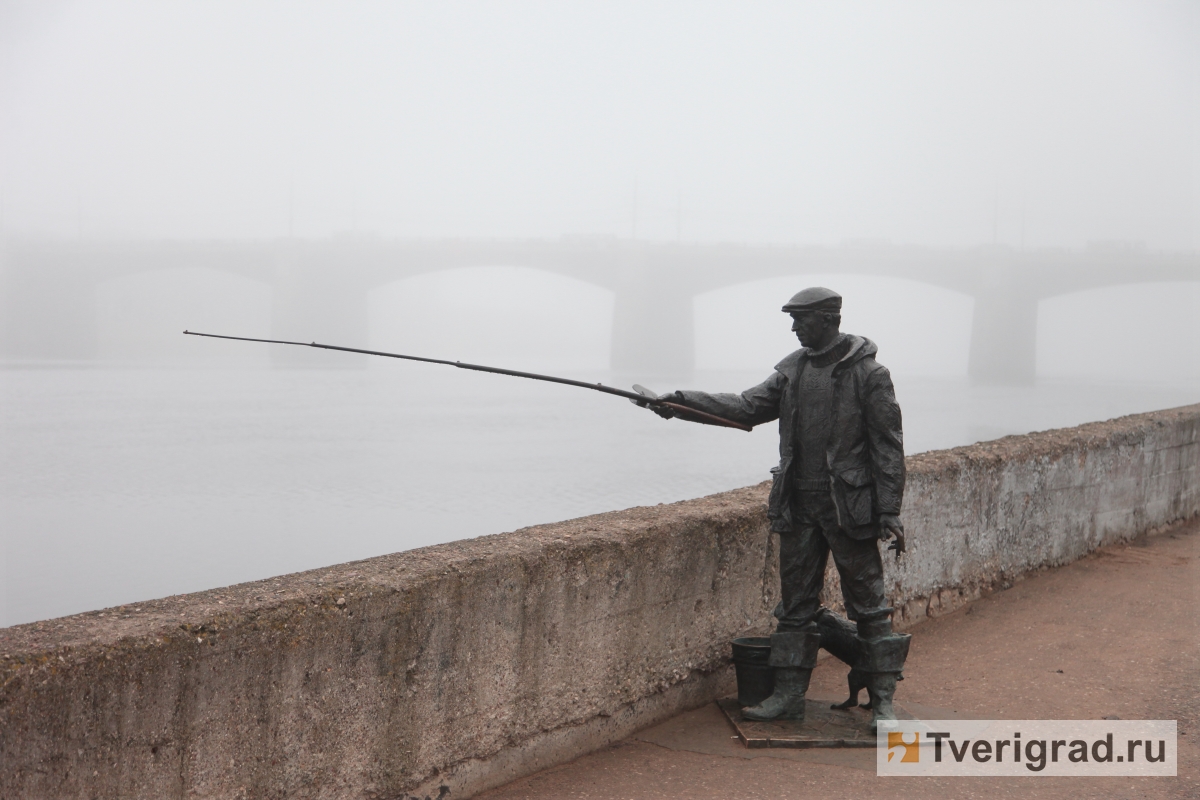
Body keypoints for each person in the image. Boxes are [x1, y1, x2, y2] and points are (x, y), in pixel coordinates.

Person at [643, 287, 910, 730]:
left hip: (850, 508)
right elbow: (745, 408)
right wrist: (678, 403)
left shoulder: (869, 375)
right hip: (798, 503)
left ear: (827, 320)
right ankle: (788, 697)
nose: (793, 328)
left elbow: (888, 447)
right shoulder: (792, 373)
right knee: (795, 606)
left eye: (800, 320)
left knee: (869, 607)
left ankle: (883, 703)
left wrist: (889, 510)